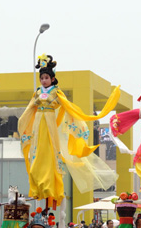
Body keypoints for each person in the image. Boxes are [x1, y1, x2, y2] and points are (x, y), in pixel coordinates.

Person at [18, 54, 119, 208]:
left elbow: (67, 107)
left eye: (46, 77)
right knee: (37, 156)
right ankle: (37, 187)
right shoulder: (37, 92)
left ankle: (50, 189)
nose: (44, 80)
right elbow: (29, 109)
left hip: (50, 124)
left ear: (52, 79)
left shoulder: (57, 92)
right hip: (39, 124)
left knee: (50, 155)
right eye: (42, 78)